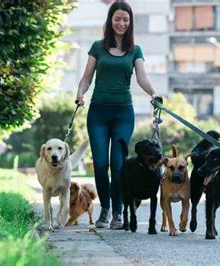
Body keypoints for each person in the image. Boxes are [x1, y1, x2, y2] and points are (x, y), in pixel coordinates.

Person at [75, 1, 159, 230]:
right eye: (117, 19)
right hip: (98, 113)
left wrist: (153, 92)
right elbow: (86, 77)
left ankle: (118, 213)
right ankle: (105, 209)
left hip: (123, 113)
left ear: (130, 23)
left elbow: (142, 77)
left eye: (125, 19)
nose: (121, 23)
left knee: (118, 164)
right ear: (110, 21)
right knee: (101, 164)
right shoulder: (98, 47)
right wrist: (80, 93)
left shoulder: (135, 50)